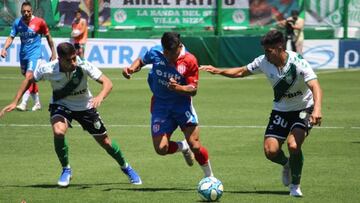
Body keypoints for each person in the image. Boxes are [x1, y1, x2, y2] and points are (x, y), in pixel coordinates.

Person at [0, 42, 142, 187]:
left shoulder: (83, 65)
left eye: (74, 58)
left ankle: (126, 167)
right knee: (58, 131)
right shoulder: (48, 68)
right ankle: (66, 169)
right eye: (69, 60)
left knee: (105, 142)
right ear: (60, 59)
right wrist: (15, 101)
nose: (73, 62)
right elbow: (29, 79)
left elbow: (107, 82)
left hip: (85, 107)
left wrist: (100, 97)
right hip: (61, 105)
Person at [200, 30, 322, 197]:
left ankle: (295, 184)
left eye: (268, 50)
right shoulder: (264, 62)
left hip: (304, 108)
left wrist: (317, 109)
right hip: (281, 110)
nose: (266, 54)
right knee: (270, 152)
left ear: (279, 48)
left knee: (293, 145)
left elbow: (315, 86)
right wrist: (218, 70)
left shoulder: (297, 62)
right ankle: (286, 164)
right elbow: (242, 71)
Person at [122, 32, 214, 178]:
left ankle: (210, 177)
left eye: (172, 53)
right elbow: (141, 61)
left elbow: (193, 89)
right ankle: (182, 146)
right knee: (161, 149)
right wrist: (132, 69)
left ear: (179, 46)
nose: (169, 56)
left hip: (182, 105)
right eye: (166, 52)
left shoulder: (190, 60)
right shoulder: (156, 52)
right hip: (160, 105)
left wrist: (178, 88)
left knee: (195, 145)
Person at [0, 1, 57, 112]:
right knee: (29, 79)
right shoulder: (17, 23)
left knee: (29, 76)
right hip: (23, 55)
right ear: (21, 12)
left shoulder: (40, 22)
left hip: (35, 55)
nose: (26, 13)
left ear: (32, 11)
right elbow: (11, 37)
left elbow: (48, 37)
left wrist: (53, 53)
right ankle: (37, 103)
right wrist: (4, 48)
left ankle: (23, 103)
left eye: (28, 11)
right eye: (24, 11)